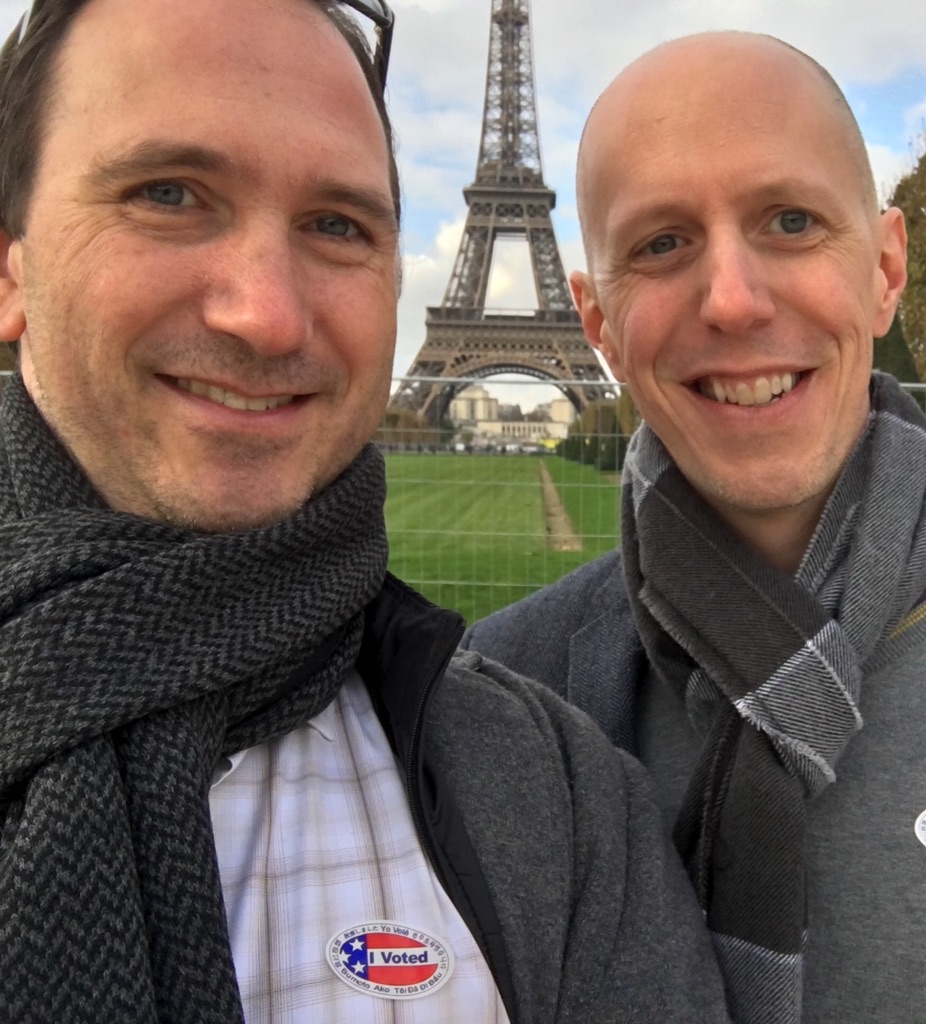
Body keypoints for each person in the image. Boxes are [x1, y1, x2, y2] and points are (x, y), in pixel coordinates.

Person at [0, 2, 732, 1021]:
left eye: (337, 224)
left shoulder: (558, 802)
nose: (265, 311)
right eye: (168, 193)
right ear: (10, 262)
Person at [464, 31, 926, 1024]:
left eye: (791, 220)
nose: (732, 299)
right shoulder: (497, 700)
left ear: (886, 269)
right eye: (662, 243)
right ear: (596, 326)